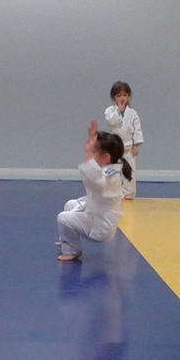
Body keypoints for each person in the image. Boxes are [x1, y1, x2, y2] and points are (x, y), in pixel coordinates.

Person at [56, 121, 131, 262]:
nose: (91, 155)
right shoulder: (111, 166)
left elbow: (93, 180)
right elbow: (93, 175)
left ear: (106, 157)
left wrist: (87, 153)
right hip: (94, 212)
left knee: (63, 218)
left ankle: (72, 250)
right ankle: (67, 239)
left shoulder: (112, 175)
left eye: (94, 152)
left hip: (101, 226)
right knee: (70, 204)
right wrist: (92, 141)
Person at [104, 82, 143, 200]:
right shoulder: (110, 111)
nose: (122, 98)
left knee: (129, 170)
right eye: (119, 95)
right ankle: (112, 192)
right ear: (113, 97)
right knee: (112, 171)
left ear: (129, 96)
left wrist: (136, 145)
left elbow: (137, 130)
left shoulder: (133, 113)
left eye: (125, 95)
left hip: (128, 147)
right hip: (115, 147)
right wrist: (118, 110)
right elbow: (113, 121)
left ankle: (129, 192)